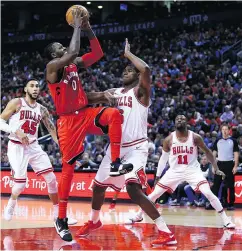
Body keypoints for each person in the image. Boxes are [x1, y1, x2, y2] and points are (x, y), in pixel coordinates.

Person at [75, 38, 177, 247]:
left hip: (136, 148)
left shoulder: (140, 91)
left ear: (136, 76)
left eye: (129, 71)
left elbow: (147, 69)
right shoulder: (114, 92)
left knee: (133, 189)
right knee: (98, 188)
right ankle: (94, 221)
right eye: (124, 70)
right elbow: (87, 98)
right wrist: (100, 94)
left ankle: (166, 232)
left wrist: (128, 54)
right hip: (115, 149)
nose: (125, 72)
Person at [44, 10, 133, 241]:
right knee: (68, 171)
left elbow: (98, 53)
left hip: (84, 114)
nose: (65, 50)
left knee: (114, 114)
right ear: (54, 56)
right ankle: (61, 218)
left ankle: (115, 163)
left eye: (64, 48)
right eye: (60, 50)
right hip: (67, 123)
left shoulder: (73, 66)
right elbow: (73, 50)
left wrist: (89, 28)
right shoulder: (53, 68)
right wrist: (76, 25)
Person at [129, 115, 235, 236]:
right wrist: (158, 176)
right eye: (177, 118)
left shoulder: (195, 137)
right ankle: (138, 216)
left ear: (187, 123)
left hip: (192, 170)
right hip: (174, 171)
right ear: (174, 123)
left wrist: (216, 168)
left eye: (182, 118)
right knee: (153, 195)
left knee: (208, 192)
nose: (179, 119)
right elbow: (163, 160)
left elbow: (208, 152)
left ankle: (226, 220)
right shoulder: (169, 139)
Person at [0, 79, 76, 225]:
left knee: (52, 180)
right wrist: (15, 130)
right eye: (32, 86)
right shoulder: (17, 103)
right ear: (25, 89)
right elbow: (0, 121)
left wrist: (63, 148)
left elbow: (52, 130)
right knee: (20, 185)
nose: (35, 88)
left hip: (34, 146)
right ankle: (11, 203)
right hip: (16, 146)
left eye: (37, 86)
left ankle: (58, 215)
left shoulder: (42, 109)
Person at [211, 123, 239, 210]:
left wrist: (235, 166)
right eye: (223, 129)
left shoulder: (233, 141)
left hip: (229, 164)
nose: (224, 131)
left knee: (230, 186)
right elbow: (214, 154)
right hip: (219, 164)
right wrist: (213, 165)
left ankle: (230, 204)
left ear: (229, 130)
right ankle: (213, 204)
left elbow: (236, 154)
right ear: (221, 130)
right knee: (216, 185)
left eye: (226, 129)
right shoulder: (218, 140)